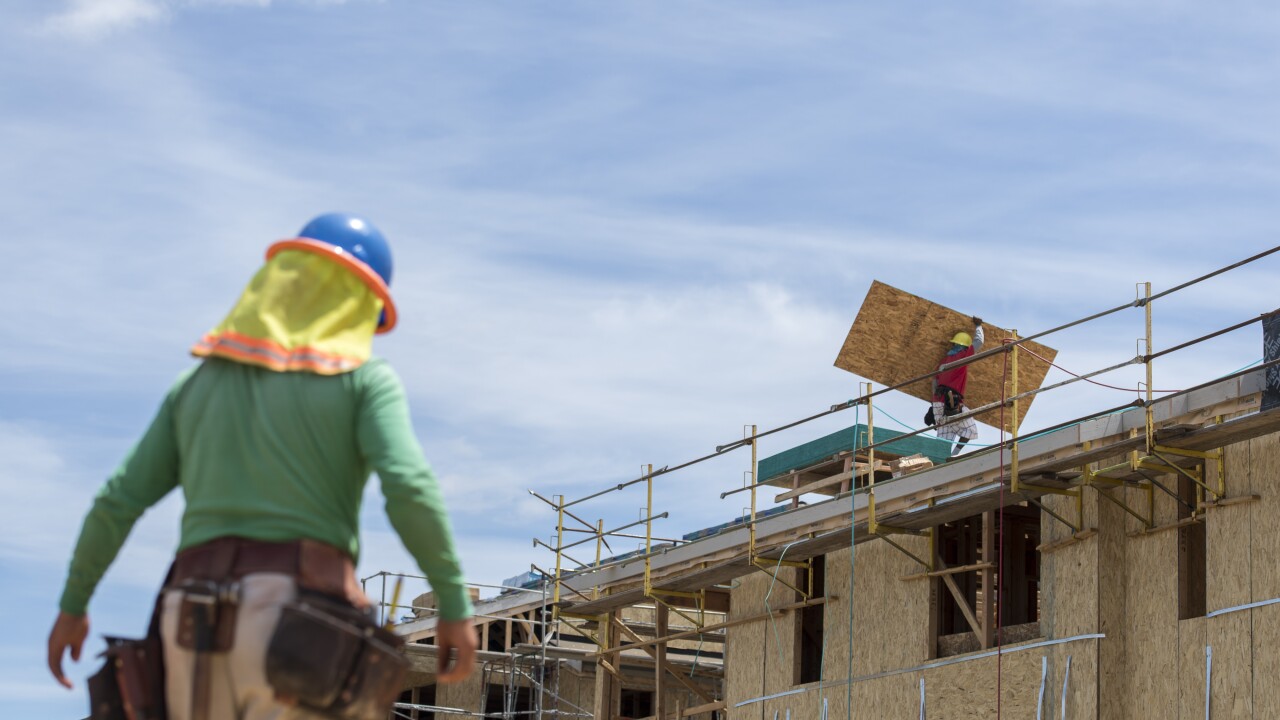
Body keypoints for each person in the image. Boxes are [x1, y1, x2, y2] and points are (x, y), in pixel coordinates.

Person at [47, 213, 477, 719]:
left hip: (188, 620)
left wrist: (73, 606)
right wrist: (453, 604)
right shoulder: (364, 380)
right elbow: (409, 487)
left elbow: (117, 501)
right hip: (303, 624)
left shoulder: (196, 387)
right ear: (365, 305)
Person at [932, 316, 985, 456]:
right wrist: (978, 326)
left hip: (938, 405)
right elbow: (979, 342)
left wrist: (934, 407)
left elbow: (934, 383)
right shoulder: (962, 357)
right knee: (970, 429)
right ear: (965, 347)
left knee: (942, 443)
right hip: (952, 404)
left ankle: (942, 460)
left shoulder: (942, 363)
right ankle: (955, 455)